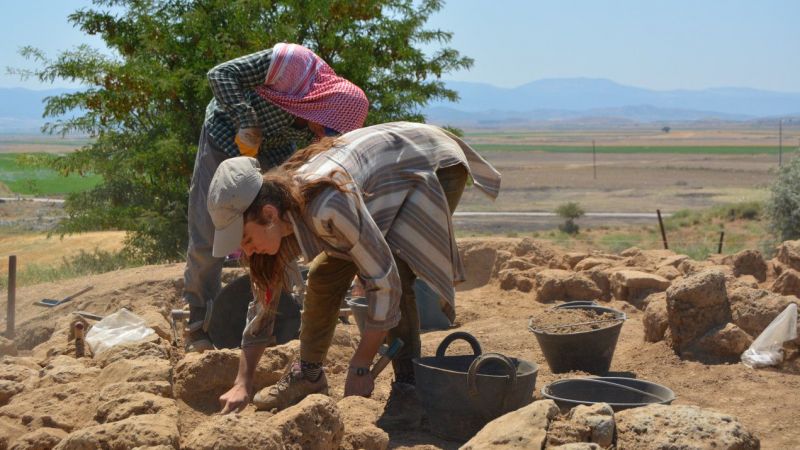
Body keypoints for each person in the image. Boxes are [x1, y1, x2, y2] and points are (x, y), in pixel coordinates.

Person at [208, 122, 501, 426]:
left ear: (268, 214)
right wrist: (243, 382)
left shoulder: (327, 205)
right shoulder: (281, 211)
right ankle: (309, 375)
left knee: (396, 264)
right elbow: (262, 303)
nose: (248, 252)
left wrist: (361, 363)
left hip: (429, 163)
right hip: (376, 176)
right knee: (323, 275)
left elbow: (385, 281)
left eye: (246, 240)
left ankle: (409, 387)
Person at [183, 43, 368, 352]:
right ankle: (198, 324)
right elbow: (220, 74)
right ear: (323, 106)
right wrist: (246, 120)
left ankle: (280, 314)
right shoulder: (294, 66)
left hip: (272, 154)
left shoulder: (320, 130)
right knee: (207, 232)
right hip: (223, 140)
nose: (323, 135)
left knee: (278, 226)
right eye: (327, 128)